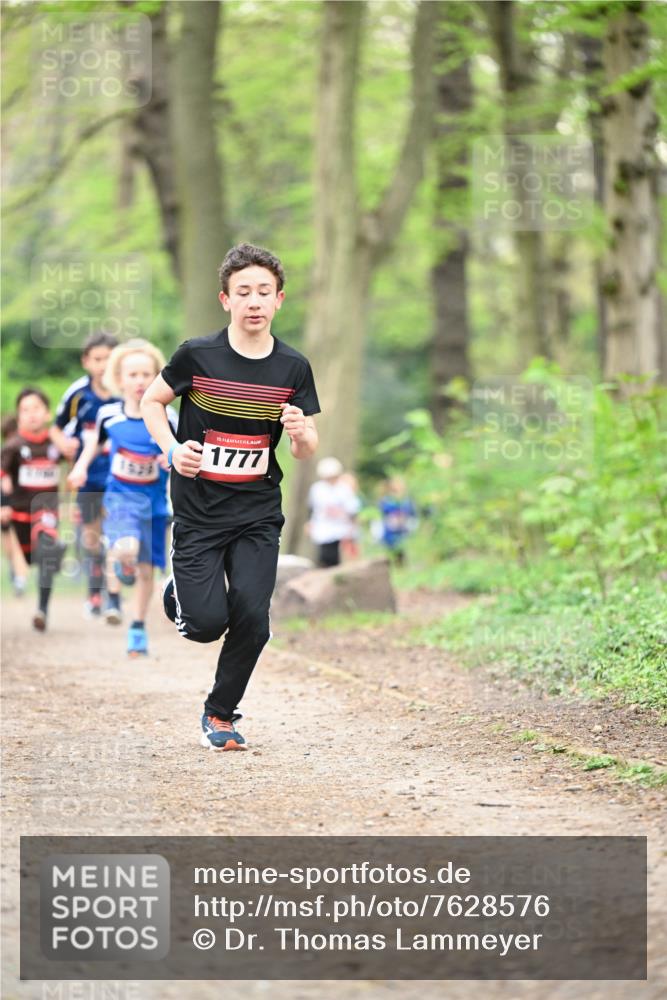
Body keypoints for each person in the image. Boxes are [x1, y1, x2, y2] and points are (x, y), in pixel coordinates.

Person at [141, 242, 320, 751]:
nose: (254, 301)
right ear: (226, 300)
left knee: (253, 619)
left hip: (258, 511)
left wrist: (300, 430)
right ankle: (178, 595)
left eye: (264, 291)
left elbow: (306, 449)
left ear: (279, 299)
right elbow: (151, 402)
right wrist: (173, 449)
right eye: (243, 292)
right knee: (205, 625)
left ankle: (220, 714)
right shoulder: (198, 355)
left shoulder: (293, 367)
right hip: (199, 511)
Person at [68, 339, 177, 656]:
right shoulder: (108, 415)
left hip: (155, 502)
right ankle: (119, 567)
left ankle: (138, 628)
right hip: (120, 498)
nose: (140, 381)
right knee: (127, 550)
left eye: (146, 374)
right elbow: (91, 445)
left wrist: (169, 457)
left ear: (157, 377)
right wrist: (80, 468)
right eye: (133, 375)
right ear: (119, 378)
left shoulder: (169, 418)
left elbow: (179, 451)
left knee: (147, 571)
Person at [51, 332, 119, 617]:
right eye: (97, 359)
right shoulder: (78, 394)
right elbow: (56, 427)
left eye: (108, 359)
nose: (103, 365)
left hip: (120, 475)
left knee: (116, 534)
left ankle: (114, 594)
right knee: (92, 536)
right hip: (87, 474)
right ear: (86, 362)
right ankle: (94, 593)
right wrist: (63, 442)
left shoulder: (127, 390)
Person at [0, 388, 67, 630]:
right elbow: (2, 475)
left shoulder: (54, 443)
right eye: (25, 410)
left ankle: (42, 609)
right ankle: (24, 570)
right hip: (19, 515)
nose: (31, 415)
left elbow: (73, 458)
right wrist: (3, 504)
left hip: (46, 510)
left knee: (47, 552)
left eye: (36, 408)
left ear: (47, 413)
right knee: (30, 561)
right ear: (18, 417)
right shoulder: (13, 446)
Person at [307, 457, 361, 567]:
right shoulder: (317, 489)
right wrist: (310, 523)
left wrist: (352, 527)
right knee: (325, 557)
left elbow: (353, 509)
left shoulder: (344, 489)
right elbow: (312, 508)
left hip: (342, 530)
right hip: (324, 528)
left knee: (342, 558)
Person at [1, 414, 29, 595]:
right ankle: (18, 574)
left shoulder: (7, 448)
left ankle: (17, 572)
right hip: (12, 499)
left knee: (9, 540)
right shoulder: (18, 447)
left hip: (6, 499)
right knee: (14, 540)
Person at [378, 476, 417, 566]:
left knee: (403, 552)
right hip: (390, 531)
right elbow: (383, 513)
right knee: (392, 552)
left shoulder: (407, 500)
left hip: (404, 530)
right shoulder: (386, 500)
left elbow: (412, 514)